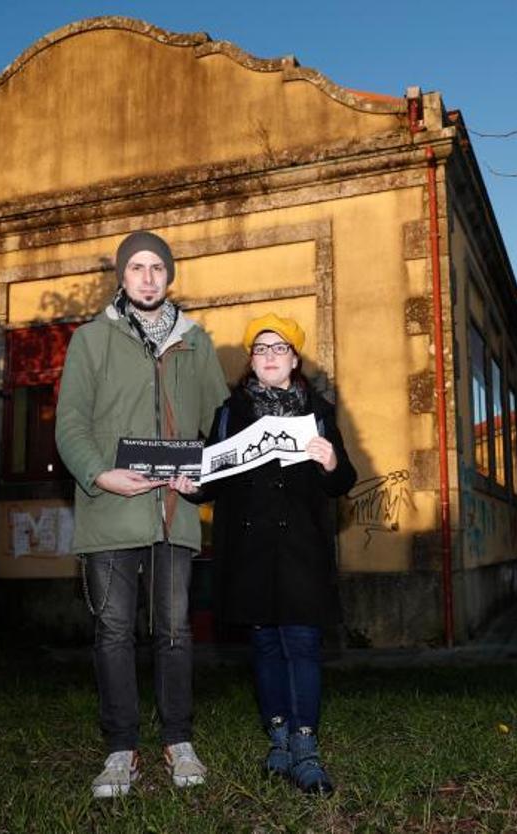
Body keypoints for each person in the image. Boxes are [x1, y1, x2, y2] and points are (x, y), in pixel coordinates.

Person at [55, 230, 230, 798]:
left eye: (158, 267)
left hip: (173, 514)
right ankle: (119, 749)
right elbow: (70, 424)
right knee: (112, 631)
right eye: (138, 268)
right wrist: (99, 473)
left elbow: (218, 420)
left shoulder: (195, 342)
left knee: (176, 630)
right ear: (122, 276)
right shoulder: (90, 340)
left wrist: (202, 471)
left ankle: (178, 739)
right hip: (110, 509)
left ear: (170, 275)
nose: (149, 277)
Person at [178, 313, 356, 795]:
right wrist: (189, 485)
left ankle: (306, 746)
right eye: (261, 349)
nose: (270, 356)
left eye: (279, 349)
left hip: (301, 549)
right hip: (249, 549)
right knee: (264, 645)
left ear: (294, 360)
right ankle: (277, 738)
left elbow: (343, 481)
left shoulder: (318, 411)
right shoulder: (229, 412)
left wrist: (331, 461)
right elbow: (209, 478)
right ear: (252, 361)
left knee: (301, 642)